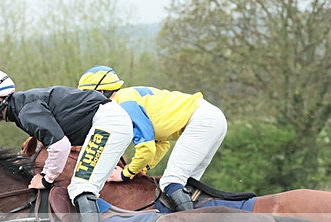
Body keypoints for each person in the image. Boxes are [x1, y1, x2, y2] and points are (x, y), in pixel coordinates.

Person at [0, 70, 133, 222]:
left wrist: (46, 178)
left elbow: (60, 146)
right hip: (107, 121)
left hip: (108, 123)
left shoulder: (26, 111)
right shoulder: (23, 108)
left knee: (82, 186)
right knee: (79, 185)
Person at [77, 65, 228, 211]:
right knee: (189, 186)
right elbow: (162, 145)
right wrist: (143, 169)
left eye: (88, 96)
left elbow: (147, 148)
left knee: (170, 182)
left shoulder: (122, 104)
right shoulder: (127, 97)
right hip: (211, 119)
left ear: (102, 91)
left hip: (202, 120)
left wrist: (125, 174)